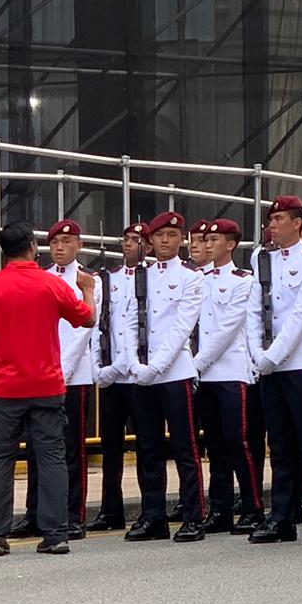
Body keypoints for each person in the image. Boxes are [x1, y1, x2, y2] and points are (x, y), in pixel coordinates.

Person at [0, 222, 96, 556]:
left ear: (2, 250)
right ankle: (56, 533)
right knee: (52, 457)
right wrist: (89, 290)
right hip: (47, 384)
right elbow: (87, 318)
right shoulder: (49, 284)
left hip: (5, 388)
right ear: (32, 247)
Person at [247, 196, 302, 544]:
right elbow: (254, 309)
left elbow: (301, 316)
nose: (273, 225)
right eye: (271, 219)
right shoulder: (262, 259)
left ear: (298, 223)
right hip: (268, 363)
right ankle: (281, 517)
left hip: (299, 363)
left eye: (280, 218)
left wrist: (274, 355)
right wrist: (258, 353)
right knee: (279, 444)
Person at [8, 219, 94, 541]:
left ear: (78, 245)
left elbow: (85, 327)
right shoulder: (41, 278)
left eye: (67, 242)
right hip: (43, 375)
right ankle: (36, 512)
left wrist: (64, 369)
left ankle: (74, 514)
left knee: (71, 449)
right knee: (36, 449)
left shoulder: (86, 279)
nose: (59, 248)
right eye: (54, 242)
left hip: (73, 373)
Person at [126, 212, 208, 542]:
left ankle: (193, 515)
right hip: (143, 373)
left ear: (181, 240)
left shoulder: (191, 276)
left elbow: (182, 327)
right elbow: (130, 321)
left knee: (185, 448)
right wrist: (133, 362)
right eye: (159, 235)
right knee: (148, 448)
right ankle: (153, 516)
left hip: (174, 372)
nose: (164, 241)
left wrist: (156, 366)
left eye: (172, 235)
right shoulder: (140, 274)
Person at [193, 218, 265, 535]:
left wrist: (196, 363)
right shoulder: (196, 279)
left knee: (238, 441)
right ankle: (220, 509)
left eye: (214, 240)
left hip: (231, 370)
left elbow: (228, 329)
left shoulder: (242, 281)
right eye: (205, 240)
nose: (207, 245)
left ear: (231, 244)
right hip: (203, 374)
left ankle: (252, 506)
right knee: (215, 445)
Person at [88, 221, 145, 529]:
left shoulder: (150, 278)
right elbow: (100, 324)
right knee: (111, 447)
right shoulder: (107, 279)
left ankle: (151, 507)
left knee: (146, 447)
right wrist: (99, 366)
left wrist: (123, 365)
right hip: (111, 375)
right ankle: (111, 509)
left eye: (136, 240)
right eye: (125, 239)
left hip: (137, 374)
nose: (128, 245)